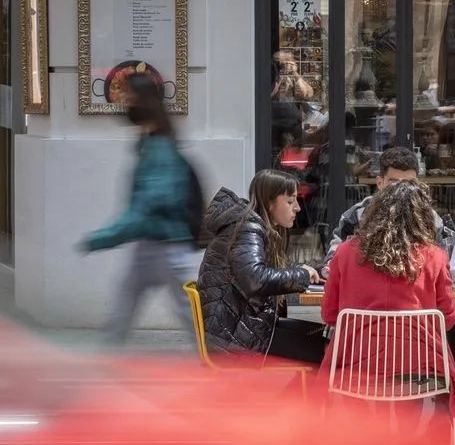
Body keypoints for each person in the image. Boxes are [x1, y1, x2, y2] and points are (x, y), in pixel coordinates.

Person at [320, 180, 455, 417]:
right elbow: (448, 320)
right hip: (417, 368)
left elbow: (329, 315)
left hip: (357, 366)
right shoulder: (435, 257)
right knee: (408, 387)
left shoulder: (346, 252)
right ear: (423, 218)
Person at [79, 72, 196, 346]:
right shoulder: (151, 143)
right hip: (154, 244)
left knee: (186, 312)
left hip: (165, 245)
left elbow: (146, 207)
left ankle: (219, 365)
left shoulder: (158, 151)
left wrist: (104, 237)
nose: (124, 104)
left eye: (129, 97)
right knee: (127, 304)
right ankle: (104, 363)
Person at [197, 169, 325, 364]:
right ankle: (296, 395)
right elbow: (255, 279)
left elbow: (260, 274)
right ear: (270, 202)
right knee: (328, 350)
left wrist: (314, 269)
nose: (298, 208)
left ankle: (292, 395)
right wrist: (300, 274)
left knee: (315, 333)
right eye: (290, 201)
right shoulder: (248, 229)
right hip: (234, 337)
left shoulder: (250, 226)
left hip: (239, 327)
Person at [321, 146, 455, 277]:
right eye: (394, 182)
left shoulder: (430, 217)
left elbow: (447, 264)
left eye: (409, 183)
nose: (401, 189)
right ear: (380, 183)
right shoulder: (357, 215)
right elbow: (333, 259)